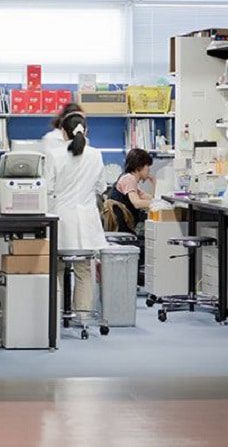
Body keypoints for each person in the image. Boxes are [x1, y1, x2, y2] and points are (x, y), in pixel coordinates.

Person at [45, 110, 107, 316]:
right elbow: (101, 187)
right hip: (87, 223)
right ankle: (83, 319)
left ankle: (55, 317)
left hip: (61, 222)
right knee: (83, 272)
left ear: (63, 132)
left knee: (57, 270)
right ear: (85, 130)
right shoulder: (96, 155)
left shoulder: (55, 155)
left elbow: (48, 189)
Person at [109, 148, 155, 232]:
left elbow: (150, 198)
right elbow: (137, 203)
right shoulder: (129, 179)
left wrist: (154, 183)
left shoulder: (128, 178)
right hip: (123, 228)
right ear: (139, 166)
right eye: (147, 165)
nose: (149, 169)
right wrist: (157, 204)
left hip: (124, 225)